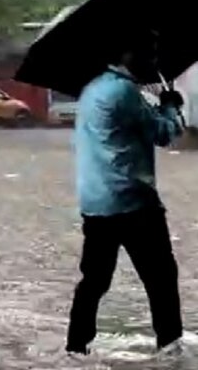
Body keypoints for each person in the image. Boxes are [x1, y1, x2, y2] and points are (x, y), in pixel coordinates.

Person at [66, 33, 185, 356]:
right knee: (161, 277)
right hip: (133, 201)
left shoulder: (92, 88)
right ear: (128, 53)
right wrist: (171, 106)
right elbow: (164, 133)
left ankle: (76, 345)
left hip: (95, 201)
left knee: (94, 279)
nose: (154, 60)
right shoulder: (124, 92)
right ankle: (171, 346)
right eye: (150, 52)